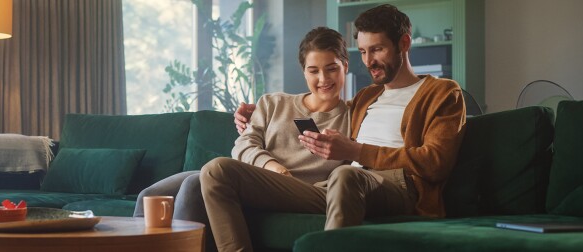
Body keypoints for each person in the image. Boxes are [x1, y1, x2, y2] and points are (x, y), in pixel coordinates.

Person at [209, 4, 466, 251]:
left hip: (397, 186)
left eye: (377, 49)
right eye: (363, 51)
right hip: (338, 187)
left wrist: (356, 151)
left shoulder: (442, 92)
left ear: (404, 43)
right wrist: (257, 112)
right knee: (217, 170)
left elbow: (435, 162)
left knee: (345, 175)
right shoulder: (366, 97)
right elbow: (325, 106)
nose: (368, 61)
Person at [134, 26, 352, 252]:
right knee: (149, 195)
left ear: (345, 66)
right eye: (313, 71)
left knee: (197, 183)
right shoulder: (273, 103)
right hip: (253, 176)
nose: (323, 79)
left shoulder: (353, 117)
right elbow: (243, 145)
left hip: (300, 191)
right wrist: (274, 167)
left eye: (331, 69)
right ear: (304, 71)